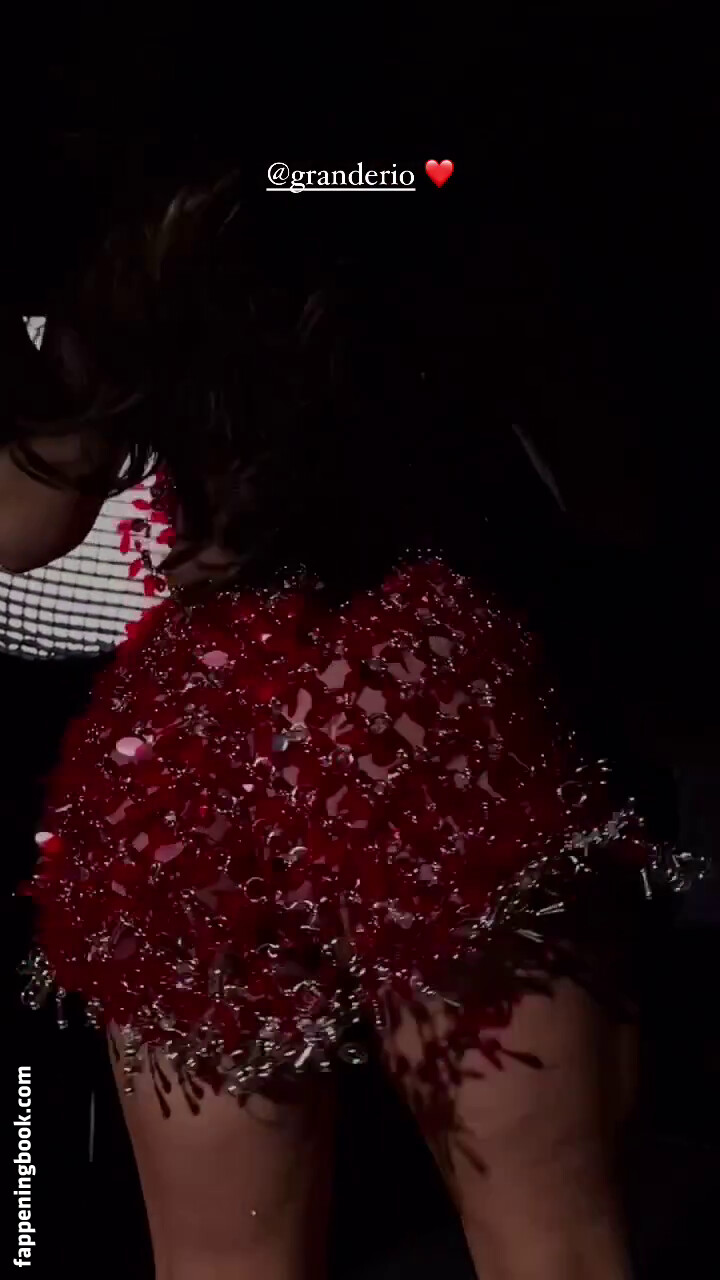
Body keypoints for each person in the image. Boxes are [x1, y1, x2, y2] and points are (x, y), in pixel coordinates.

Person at [4, 175, 676, 1280]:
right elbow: (617, 496)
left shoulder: (140, 225)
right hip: (424, 701)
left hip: (190, 736)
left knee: (223, 1265)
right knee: (548, 1243)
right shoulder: (456, 197)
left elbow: (22, 524)